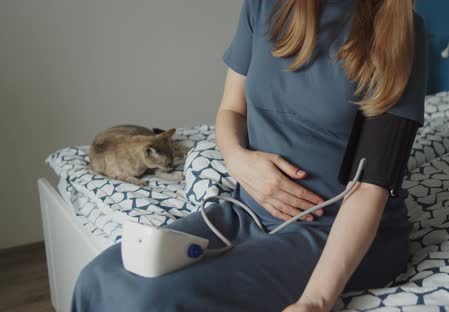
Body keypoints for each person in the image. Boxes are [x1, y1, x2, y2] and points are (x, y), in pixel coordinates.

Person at [71, 0, 428, 311]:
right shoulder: (265, 4)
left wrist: (315, 301)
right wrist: (239, 161)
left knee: (154, 300)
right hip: (247, 211)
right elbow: (231, 111)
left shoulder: (400, 30)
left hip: (335, 229)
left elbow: (369, 189)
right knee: (99, 278)